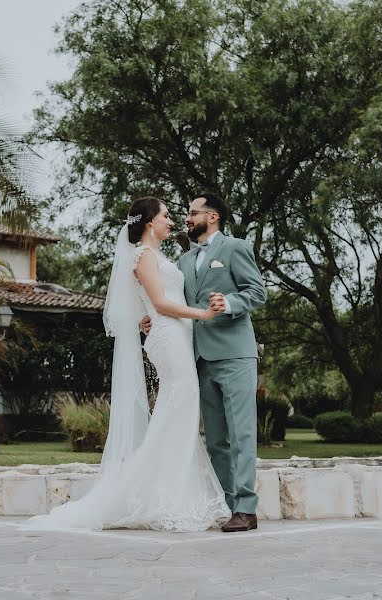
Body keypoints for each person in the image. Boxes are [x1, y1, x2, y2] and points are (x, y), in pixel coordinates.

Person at [20, 196, 231, 532]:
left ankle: (168, 493)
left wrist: (146, 319)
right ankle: (166, 496)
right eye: (165, 216)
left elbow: (146, 305)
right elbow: (161, 303)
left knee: (177, 411)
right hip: (170, 338)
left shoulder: (155, 255)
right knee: (180, 407)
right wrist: (202, 314)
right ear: (149, 222)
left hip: (173, 335)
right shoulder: (144, 256)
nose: (171, 221)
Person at [144, 193, 267, 532]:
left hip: (235, 354)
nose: (186, 218)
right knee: (215, 440)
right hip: (198, 357)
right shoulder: (184, 261)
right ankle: (229, 505)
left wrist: (228, 302)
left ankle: (246, 508)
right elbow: (175, 304)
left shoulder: (235, 248)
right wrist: (152, 319)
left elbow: (257, 291)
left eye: (192, 213)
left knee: (242, 434)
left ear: (212, 217)